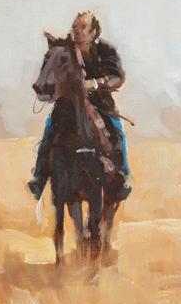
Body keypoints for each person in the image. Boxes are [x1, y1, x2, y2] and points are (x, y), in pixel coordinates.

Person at [27, 11, 131, 201]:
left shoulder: (106, 50)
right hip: (69, 105)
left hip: (100, 103)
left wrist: (95, 84)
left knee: (116, 129)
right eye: (75, 27)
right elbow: (50, 70)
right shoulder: (63, 49)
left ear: (93, 32)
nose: (77, 31)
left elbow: (118, 77)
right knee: (50, 128)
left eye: (83, 27)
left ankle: (122, 175)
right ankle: (39, 178)